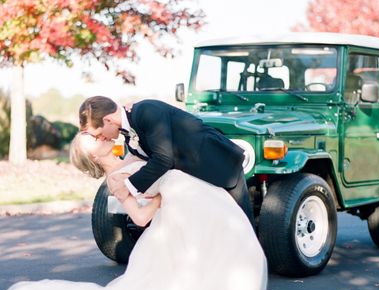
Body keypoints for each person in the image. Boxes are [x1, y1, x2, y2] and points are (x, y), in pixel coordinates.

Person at [0, 134, 267, 290]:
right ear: (91, 152)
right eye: (93, 138)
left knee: (235, 253)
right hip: (183, 213)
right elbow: (141, 218)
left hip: (199, 204)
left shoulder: (132, 154)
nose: (101, 136)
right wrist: (165, 197)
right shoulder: (116, 180)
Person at [78, 96, 254, 224]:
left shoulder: (147, 110)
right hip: (196, 183)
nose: (102, 138)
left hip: (218, 164)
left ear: (108, 120)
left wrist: (128, 186)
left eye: (99, 134)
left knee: (239, 223)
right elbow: (144, 157)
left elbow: (163, 159)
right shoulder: (129, 135)